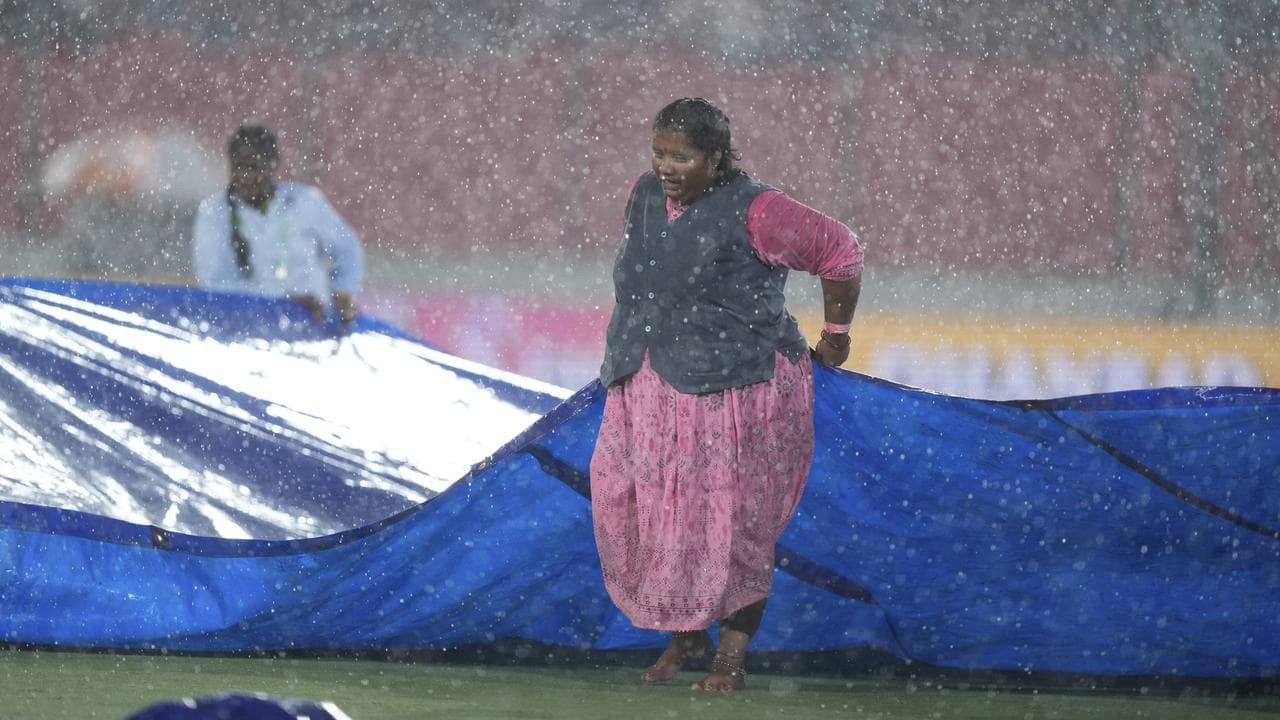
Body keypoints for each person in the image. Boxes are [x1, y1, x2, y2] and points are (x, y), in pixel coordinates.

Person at [590, 97, 864, 692]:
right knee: (640, 512)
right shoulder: (642, 194)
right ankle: (684, 637)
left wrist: (836, 337)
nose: (667, 166)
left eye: (683, 157)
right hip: (646, 384)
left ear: (716, 158)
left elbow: (841, 251)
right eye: (660, 152)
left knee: (729, 524)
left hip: (738, 392)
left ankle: (729, 660)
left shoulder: (759, 210)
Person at [191, 123, 364, 324]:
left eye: (254, 167)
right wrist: (283, 304)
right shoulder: (214, 213)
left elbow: (349, 250)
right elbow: (215, 285)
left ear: (273, 165)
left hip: (315, 331)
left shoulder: (305, 202)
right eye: (239, 167)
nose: (246, 176)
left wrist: (342, 292)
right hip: (248, 332)